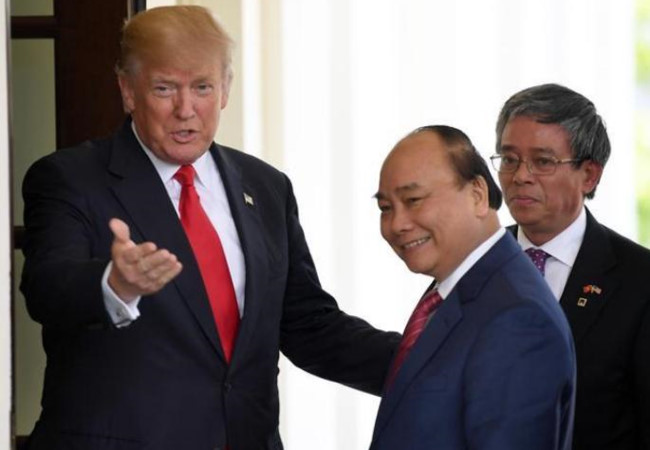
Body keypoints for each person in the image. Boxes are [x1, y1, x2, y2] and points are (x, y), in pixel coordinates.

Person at [20, 6, 399, 450]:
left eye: (202, 87)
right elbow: (47, 287)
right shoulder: (70, 178)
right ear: (128, 90)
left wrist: (428, 359)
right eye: (165, 88)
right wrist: (115, 284)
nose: (186, 110)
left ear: (225, 89)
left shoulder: (266, 186)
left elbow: (308, 325)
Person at [369, 125, 576, 450]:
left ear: (478, 195)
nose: (397, 224)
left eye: (413, 200)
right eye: (385, 208)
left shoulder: (517, 319)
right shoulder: (458, 291)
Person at [492, 83, 650, 450]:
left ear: (589, 175)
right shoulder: (475, 262)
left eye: (543, 162)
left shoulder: (640, 281)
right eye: (509, 159)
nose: (520, 176)